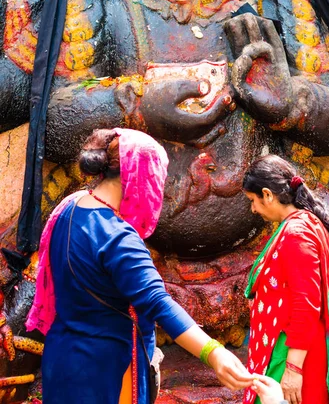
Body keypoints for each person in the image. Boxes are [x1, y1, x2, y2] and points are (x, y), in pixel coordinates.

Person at [26, 128, 253, 403]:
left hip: (62, 359)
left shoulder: (68, 208)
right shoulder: (117, 236)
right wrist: (214, 353)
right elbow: (158, 303)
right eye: (157, 176)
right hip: (105, 374)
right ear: (137, 175)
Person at [242, 154, 329, 404]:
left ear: (267, 194)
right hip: (298, 349)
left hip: (297, 356)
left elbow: (306, 304)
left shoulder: (297, 233)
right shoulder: (304, 223)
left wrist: (293, 370)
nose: (253, 209)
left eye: (253, 201)